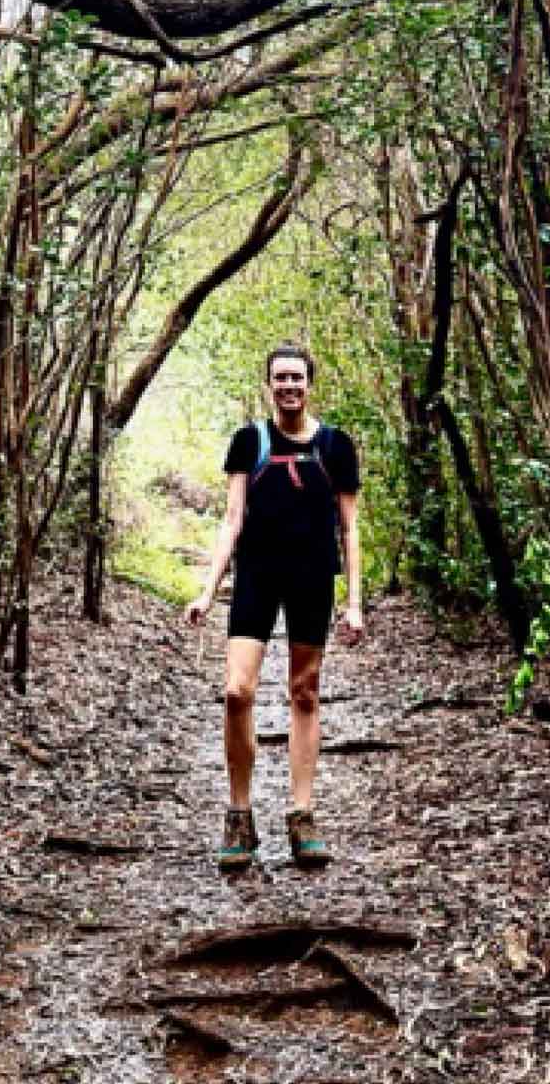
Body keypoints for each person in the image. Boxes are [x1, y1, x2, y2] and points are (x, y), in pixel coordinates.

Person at [182, 342, 364, 869]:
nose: (289, 386)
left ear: (310, 384)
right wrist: (207, 589)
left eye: (297, 378)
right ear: (269, 385)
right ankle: (239, 816)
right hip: (257, 576)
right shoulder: (250, 441)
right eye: (280, 378)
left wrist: (353, 602)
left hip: (311, 577)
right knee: (236, 691)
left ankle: (301, 815)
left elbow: (349, 527)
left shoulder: (335, 445)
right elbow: (232, 518)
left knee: (304, 691)